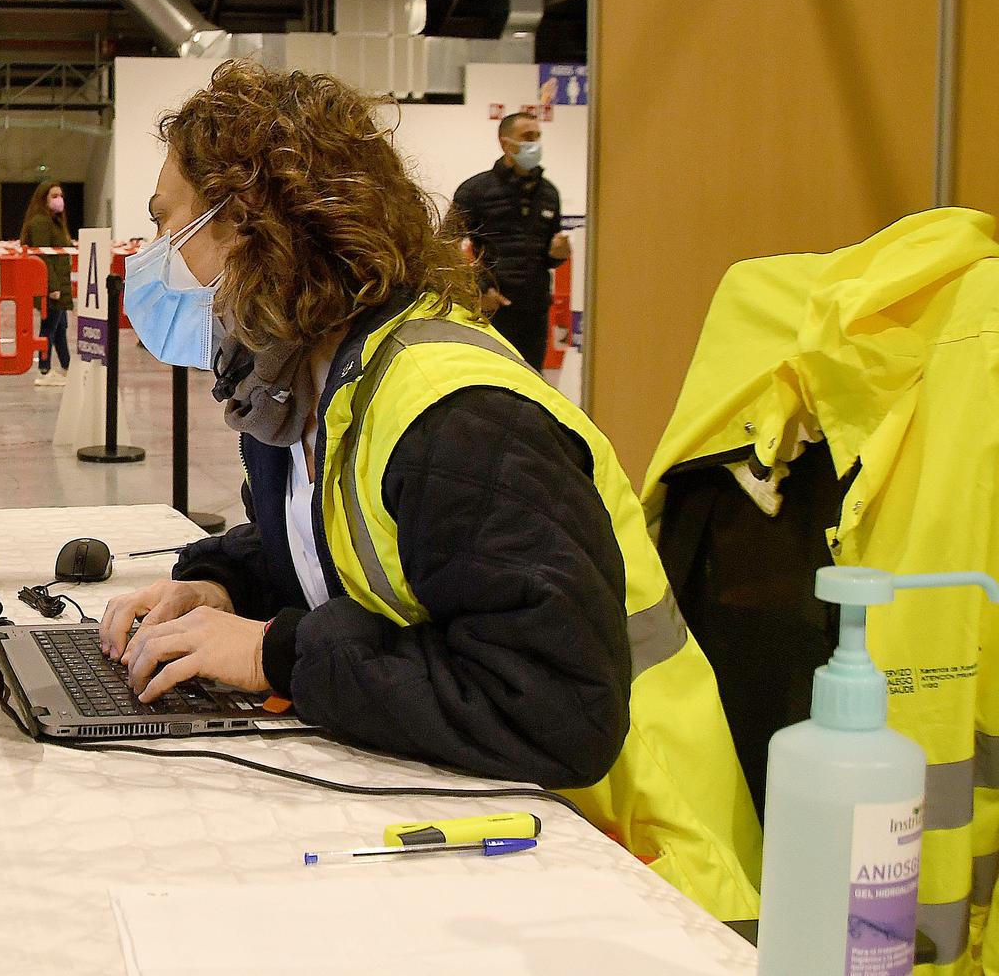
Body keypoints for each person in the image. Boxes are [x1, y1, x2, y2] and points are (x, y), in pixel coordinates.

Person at [93, 62, 760, 923]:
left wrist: (271, 653)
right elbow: (340, 541)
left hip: (640, 878)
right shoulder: (313, 380)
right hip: (507, 829)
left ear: (255, 224)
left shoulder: (459, 417)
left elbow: (557, 710)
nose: (156, 260)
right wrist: (220, 583)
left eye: (169, 227)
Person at [448, 110, 570, 368]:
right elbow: (444, 245)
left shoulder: (548, 194)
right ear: (505, 143)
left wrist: (558, 255)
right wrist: (480, 287)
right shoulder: (475, 191)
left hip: (535, 310)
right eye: (527, 137)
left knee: (532, 382)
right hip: (492, 309)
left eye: (537, 136)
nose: (534, 144)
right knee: (490, 381)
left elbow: (548, 258)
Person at [18, 180, 73, 387]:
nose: (59, 200)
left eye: (61, 196)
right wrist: (51, 287)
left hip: (59, 283)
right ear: (44, 199)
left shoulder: (54, 221)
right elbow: (44, 258)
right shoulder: (40, 223)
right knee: (49, 328)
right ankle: (44, 368)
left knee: (60, 328)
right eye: (54, 196)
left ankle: (66, 367)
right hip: (52, 287)